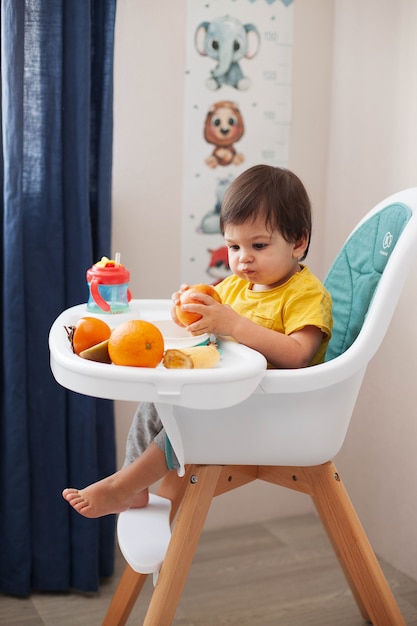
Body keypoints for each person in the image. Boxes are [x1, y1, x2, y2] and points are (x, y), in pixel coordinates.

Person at [62, 165, 333, 518]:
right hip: (228, 395)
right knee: (156, 398)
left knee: (188, 423)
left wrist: (233, 323)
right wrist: (184, 310)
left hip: (272, 409)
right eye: (233, 246)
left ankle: (122, 487)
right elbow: (203, 324)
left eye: (259, 245)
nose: (243, 258)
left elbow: (298, 355)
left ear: (299, 241)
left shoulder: (306, 295)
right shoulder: (235, 286)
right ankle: (136, 484)